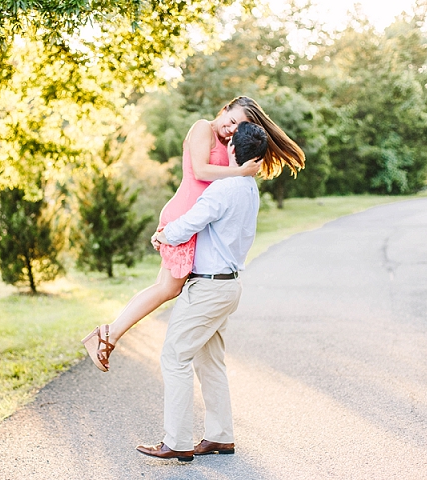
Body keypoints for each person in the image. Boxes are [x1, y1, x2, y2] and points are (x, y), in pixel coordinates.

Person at [81, 97, 305, 372]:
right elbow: (200, 171)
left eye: (238, 128)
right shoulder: (203, 128)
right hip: (184, 218)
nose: (230, 129)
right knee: (169, 287)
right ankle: (108, 335)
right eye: (231, 120)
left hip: (197, 221)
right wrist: (238, 171)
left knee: (169, 286)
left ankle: (108, 334)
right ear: (224, 109)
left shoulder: (229, 145)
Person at [135, 120, 268, 461]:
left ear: (233, 150)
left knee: (174, 357)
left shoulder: (224, 188)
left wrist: (163, 233)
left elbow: (190, 223)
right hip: (229, 286)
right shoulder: (250, 189)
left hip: (208, 288)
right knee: (210, 362)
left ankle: (176, 442)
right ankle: (220, 436)